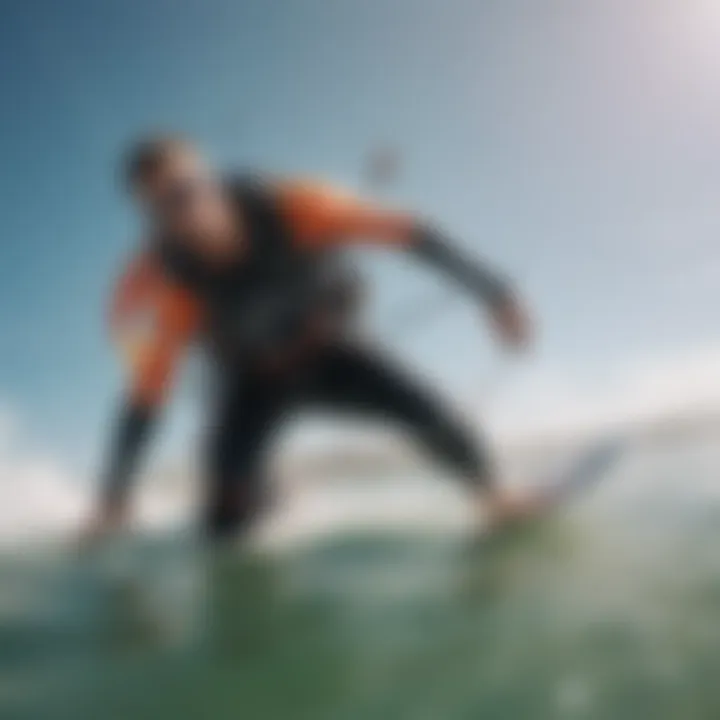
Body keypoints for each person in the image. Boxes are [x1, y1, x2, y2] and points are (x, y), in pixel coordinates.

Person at [83, 134, 538, 545]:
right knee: (222, 526)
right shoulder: (174, 283)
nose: (182, 215)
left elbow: (409, 233)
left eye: (186, 192)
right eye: (161, 209)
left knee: (426, 413)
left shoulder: (292, 206)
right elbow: (146, 397)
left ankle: (494, 496)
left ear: (211, 181)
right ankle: (267, 496)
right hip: (251, 385)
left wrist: (496, 293)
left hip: (326, 352)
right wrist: (113, 495)